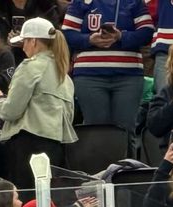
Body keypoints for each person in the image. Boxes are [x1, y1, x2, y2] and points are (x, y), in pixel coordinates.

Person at [0, 15, 75, 178]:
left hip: (27, 147)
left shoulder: (30, 67)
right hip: (57, 148)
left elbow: (11, 111)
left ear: (34, 41)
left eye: (24, 42)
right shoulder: (65, 76)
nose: (23, 48)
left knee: (27, 200)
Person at [63, 0, 152, 132]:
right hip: (89, 76)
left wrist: (121, 36)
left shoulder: (135, 2)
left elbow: (147, 33)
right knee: (96, 130)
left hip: (129, 76)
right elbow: (67, 34)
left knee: (126, 130)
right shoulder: (80, 2)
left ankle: (127, 154)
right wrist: (89, 39)